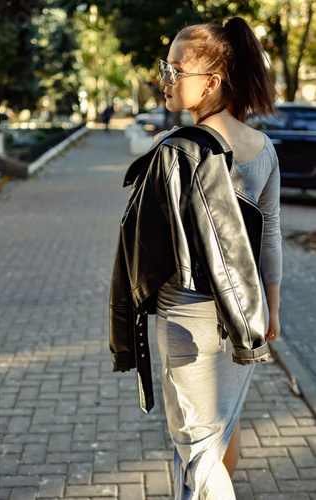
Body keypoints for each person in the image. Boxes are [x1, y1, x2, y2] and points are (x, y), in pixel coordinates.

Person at [109, 17, 282, 500]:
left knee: (197, 449)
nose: (163, 77)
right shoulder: (264, 149)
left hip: (188, 318)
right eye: (165, 66)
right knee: (223, 426)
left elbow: (144, 250)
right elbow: (269, 240)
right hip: (246, 314)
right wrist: (273, 310)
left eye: (175, 68)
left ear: (211, 82)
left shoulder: (174, 152)